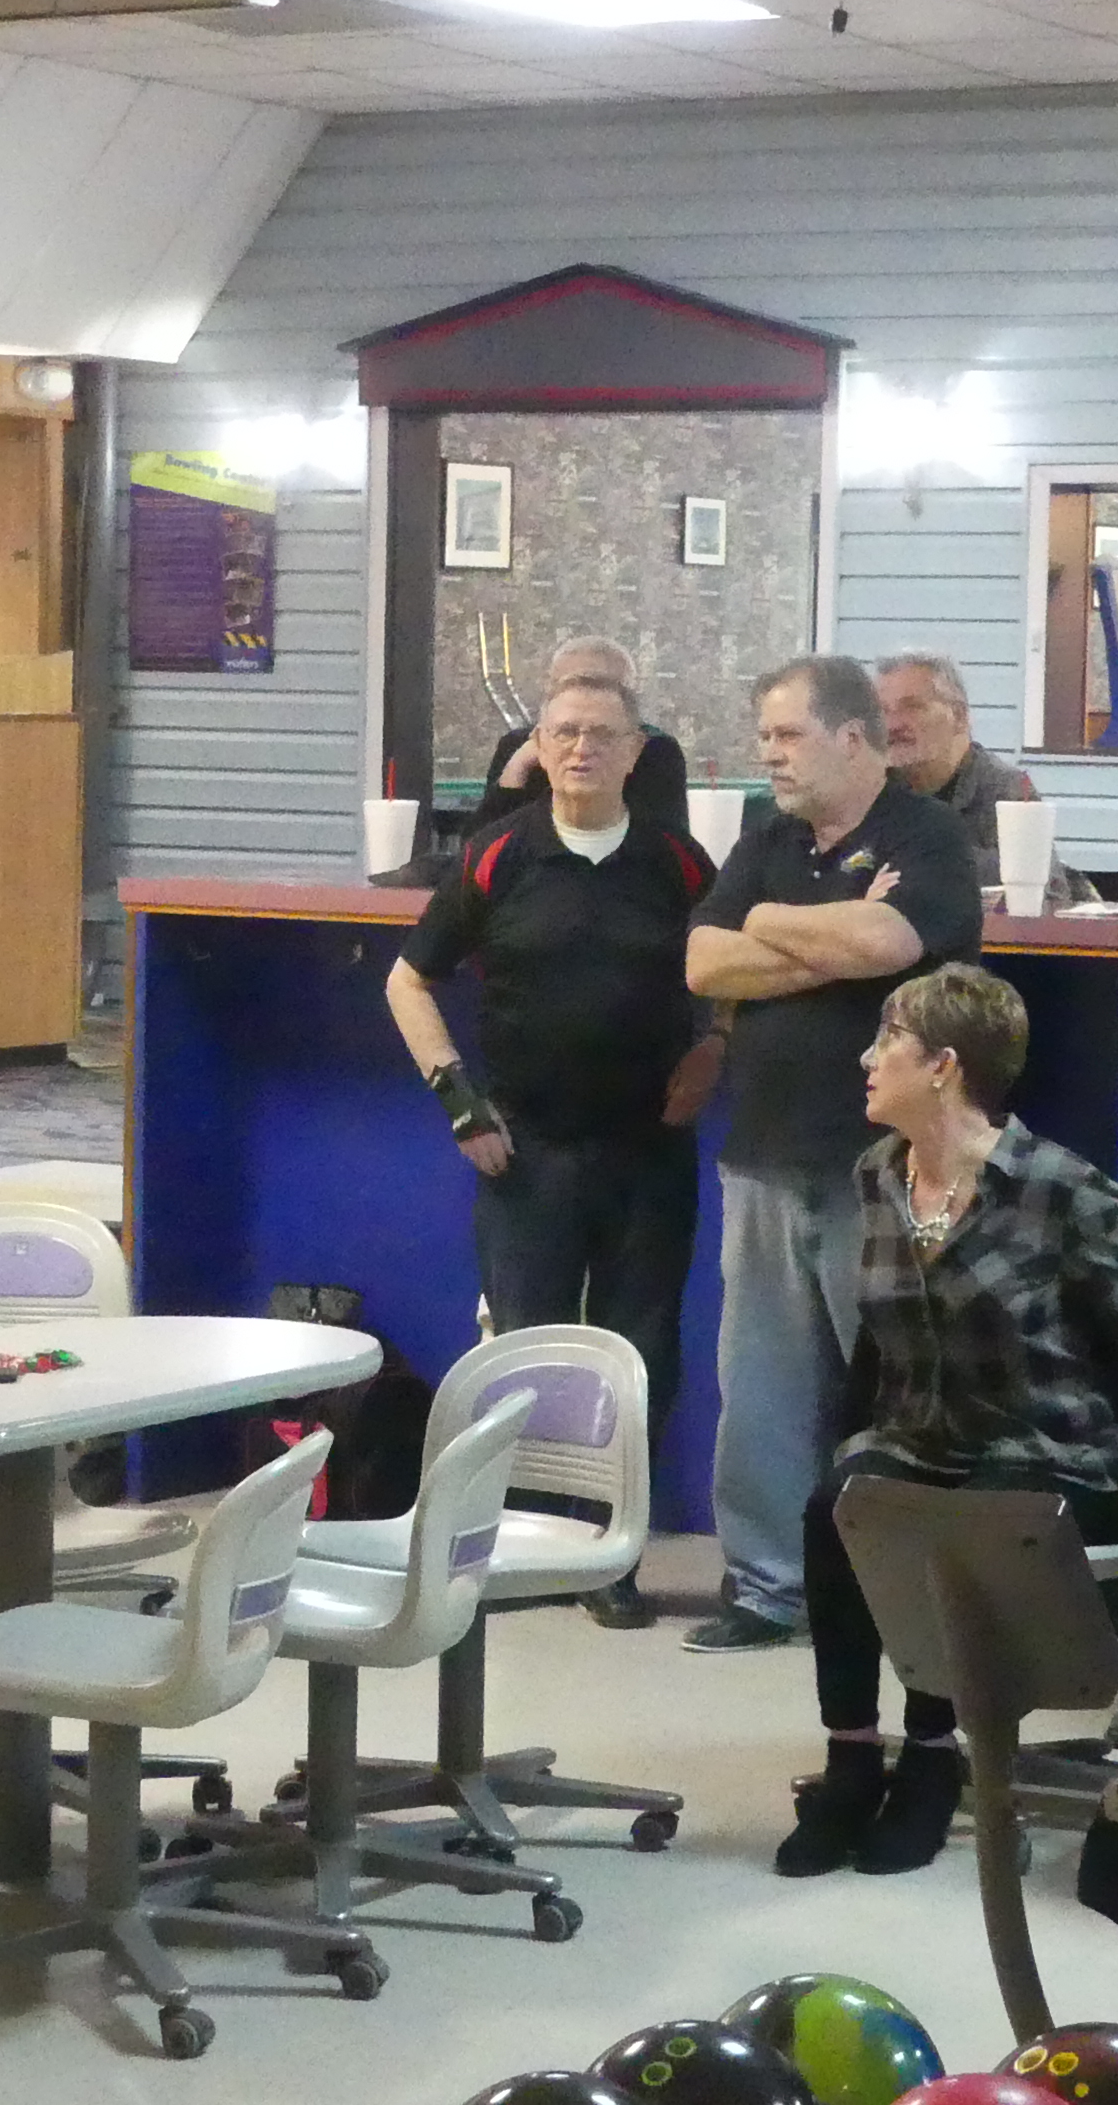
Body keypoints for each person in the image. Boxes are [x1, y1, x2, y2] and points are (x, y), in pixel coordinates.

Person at [773, 963, 1118, 1878]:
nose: (866, 1059)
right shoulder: (877, 1176)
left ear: (943, 1066)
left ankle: (933, 1760)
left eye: (887, 1041)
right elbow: (878, 1342)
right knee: (836, 1507)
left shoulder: (1061, 1187)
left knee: (948, 1524)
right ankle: (852, 1758)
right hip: (917, 1432)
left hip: (1039, 1440)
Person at [390, 669, 722, 1629]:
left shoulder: (679, 862)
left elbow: (732, 968)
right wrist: (461, 1104)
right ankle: (517, 1548)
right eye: (565, 732)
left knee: (640, 1357)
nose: (582, 749)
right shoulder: (497, 855)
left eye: (603, 734)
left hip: (649, 1151)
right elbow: (408, 983)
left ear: (636, 753)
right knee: (524, 1354)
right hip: (525, 1152)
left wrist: (715, 1046)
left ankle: (611, 1557)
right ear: (538, 746)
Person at [682, 655, 983, 1654]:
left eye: (786, 735)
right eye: (764, 736)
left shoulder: (924, 835)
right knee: (760, 1392)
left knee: (898, 1388)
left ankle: (906, 1594)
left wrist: (769, 923)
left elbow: (892, 946)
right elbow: (704, 961)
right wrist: (819, 937)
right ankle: (766, 1588)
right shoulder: (766, 839)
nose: (768, 754)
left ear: (851, 740)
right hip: (764, 1155)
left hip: (888, 1164)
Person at [873, 652, 1064, 890]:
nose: (892, 725)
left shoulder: (1003, 791)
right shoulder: (872, 790)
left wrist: (930, 859)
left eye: (912, 707)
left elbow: (1047, 891)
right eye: (882, 711)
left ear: (960, 717)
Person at [468, 633, 690, 836]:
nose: (582, 747)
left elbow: (669, 844)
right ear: (550, 688)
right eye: (573, 684)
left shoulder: (655, 749)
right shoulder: (517, 744)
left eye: (602, 686)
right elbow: (477, 850)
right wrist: (517, 769)